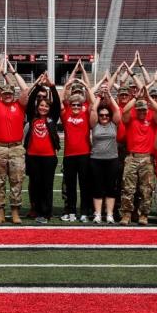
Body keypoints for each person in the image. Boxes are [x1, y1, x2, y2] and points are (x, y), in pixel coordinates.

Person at [0, 61, 31, 225]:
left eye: (9, 93)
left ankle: (15, 212)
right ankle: (0, 212)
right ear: (1, 94)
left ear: (13, 94)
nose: (7, 96)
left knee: (17, 181)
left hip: (16, 148)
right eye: (4, 93)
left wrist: (13, 72)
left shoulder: (19, 106)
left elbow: (26, 89)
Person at [24, 77, 61, 225]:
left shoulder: (52, 118)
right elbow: (31, 99)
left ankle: (46, 212)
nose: (43, 108)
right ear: (37, 107)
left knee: (47, 185)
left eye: (46, 106)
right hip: (33, 156)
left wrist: (52, 87)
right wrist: (38, 85)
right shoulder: (32, 118)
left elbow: (57, 104)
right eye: (41, 105)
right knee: (35, 184)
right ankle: (37, 210)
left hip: (49, 157)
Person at [119, 89, 157, 225]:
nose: (142, 112)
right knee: (128, 188)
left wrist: (148, 98)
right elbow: (124, 111)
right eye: (139, 110)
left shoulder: (152, 120)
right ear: (136, 110)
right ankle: (127, 214)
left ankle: (143, 214)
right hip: (132, 157)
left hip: (147, 158)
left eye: (144, 110)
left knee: (146, 189)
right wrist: (135, 98)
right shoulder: (131, 120)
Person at [59, 74, 94, 223]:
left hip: (84, 154)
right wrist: (68, 84)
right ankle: (71, 211)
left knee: (85, 185)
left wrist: (85, 86)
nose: (75, 107)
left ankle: (85, 212)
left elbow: (92, 101)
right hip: (69, 155)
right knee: (70, 185)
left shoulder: (86, 112)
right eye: (73, 105)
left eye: (78, 105)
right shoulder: (65, 112)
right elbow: (61, 100)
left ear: (82, 105)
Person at [89, 87, 122, 224]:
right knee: (97, 187)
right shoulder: (94, 124)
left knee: (110, 188)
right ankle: (97, 214)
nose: (104, 117)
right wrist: (98, 97)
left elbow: (117, 110)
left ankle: (109, 214)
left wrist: (109, 94)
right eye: (101, 115)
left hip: (112, 159)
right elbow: (92, 110)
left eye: (106, 115)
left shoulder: (113, 124)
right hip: (96, 160)